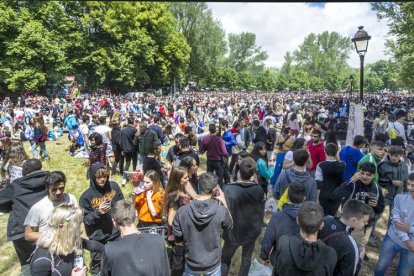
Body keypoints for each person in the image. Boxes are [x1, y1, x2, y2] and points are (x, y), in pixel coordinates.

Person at [173, 173, 232, 276]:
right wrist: (223, 201)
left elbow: (178, 238)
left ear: (199, 187)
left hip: (191, 261)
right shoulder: (220, 211)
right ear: (215, 190)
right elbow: (230, 224)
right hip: (213, 263)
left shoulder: (182, 211)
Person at [0, 159, 49, 275]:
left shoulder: (16, 186)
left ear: (26, 170)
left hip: (22, 231)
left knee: (28, 264)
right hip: (46, 228)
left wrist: (9, 207)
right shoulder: (50, 180)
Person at [100, 199, 170, 276]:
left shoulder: (109, 250)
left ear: (114, 222)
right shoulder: (158, 240)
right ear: (136, 214)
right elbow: (166, 272)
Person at [221, 158, 264, 276]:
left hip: (232, 231)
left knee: (225, 260)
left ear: (239, 171)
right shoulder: (258, 190)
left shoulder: (228, 189)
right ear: (253, 173)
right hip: (250, 231)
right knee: (246, 259)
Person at [79, 163, 124, 276]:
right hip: (97, 237)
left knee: (116, 261)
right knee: (98, 264)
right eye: (98, 177)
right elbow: (86, 220)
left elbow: (121, 203)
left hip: (115, 233)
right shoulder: (86, 197)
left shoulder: (114, 186)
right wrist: (98, 213)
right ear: (93, 177)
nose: (102, 180)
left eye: (104, 176)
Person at [333, 162, 385, 258]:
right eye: (362, 173)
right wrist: (351, 180)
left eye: (368, 175)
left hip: (364, 226)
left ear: (373, 175)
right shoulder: (353, 183)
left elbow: (380, 208)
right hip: (347, 222)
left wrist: (376, 205)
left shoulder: (376, 189)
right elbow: (336, 194)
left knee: (355, 250)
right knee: (341, 246)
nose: (364, 176)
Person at [274, 201, 337, 276]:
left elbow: (276, 271)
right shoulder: (329, 255)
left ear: (297, 220)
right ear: (321, 225)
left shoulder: (284, 243)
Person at [318, 199, 374, 276]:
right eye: (364, 221)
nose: (366, 223)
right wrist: (359, 259)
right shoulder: (351, 245)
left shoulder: (326, 219)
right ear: (353, 220)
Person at [29, 204, 89, 276]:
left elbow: (98, 247)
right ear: (62, 226)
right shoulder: (42, 261)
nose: (82, 229)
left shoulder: (70, 243)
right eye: (78, 225)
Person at [374, 172, 414, 276]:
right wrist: (407, 241)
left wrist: (410, 229)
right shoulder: (400, 198)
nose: (410, 188)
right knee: (380, 268)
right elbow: (396, 223)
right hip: (394, 239)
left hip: (412, 247)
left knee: (403, 273)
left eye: (413, 185)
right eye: (408, 184)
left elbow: (405, 226)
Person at [260, 182, 305, 269]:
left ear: (287, 196)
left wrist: (264, 256)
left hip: (278, 261)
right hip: (299, 264)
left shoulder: (277, 216)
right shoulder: (308, 218)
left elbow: (268, 239)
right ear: (304, 198)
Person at [24, 171, 77, 242]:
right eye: (54, 189)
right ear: (47, 187)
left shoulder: (70, 199)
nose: (58, 192)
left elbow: (78, 220)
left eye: (61, 188)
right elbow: (28, 235)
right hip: (49, 248)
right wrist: (54, 236)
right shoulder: (37, 208)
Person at [164, 166, 192, 275]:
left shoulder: (181, 191)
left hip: (182, 234)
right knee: (178, 264)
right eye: (185, 178)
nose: (188, 179)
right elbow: (171, 220)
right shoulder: (175, 197)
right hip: (178, 236)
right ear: (178, 179)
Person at [316, 143, 345, 216]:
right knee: (333, 216)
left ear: (325, 152)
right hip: (337, 195)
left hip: (324, 195)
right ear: (336, 152)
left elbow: (318, 183)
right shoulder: (342, 165)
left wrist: (317, 198)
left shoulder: (321, 165)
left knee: (323, 216)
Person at [120, 116, 138, 185]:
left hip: (125, 149)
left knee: (127, 164)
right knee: (134, 164)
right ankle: (135, 179)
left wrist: (122, 150)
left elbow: (120, 141)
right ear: (133, 122)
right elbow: (136, 141)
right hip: (133, 149)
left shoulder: (122, 130)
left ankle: (124, 179)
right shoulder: (134, 130)